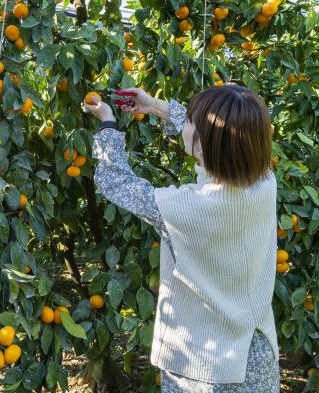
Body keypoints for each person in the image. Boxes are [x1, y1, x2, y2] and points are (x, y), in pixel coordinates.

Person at [84, 85, 279, 392]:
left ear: (203, 144)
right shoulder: (265, 182)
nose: (185, 123)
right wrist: (154, 106)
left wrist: (107, 122)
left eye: (190, 121)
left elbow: (115, 181)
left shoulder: (186, 207)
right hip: (257, 355)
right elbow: (225, 139)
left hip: (202, 367)